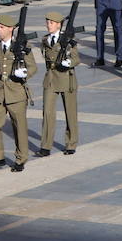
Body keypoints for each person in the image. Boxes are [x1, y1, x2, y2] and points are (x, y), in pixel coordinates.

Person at [0, 12, 33, 171]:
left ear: (11, 29)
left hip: (16, 92)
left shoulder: (21, 46)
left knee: (19, 127)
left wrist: (24, 72)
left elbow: (33, 67)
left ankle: (21, 158)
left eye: (2, 27)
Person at [38, 10, 80, 156]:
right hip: (50, 78)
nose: (49, 25)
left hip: (66, 78)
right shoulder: (45, 40)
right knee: (48, 112)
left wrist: (69, 62)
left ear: (59, 25)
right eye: (48, 22)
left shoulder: (68, 40)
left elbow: (76, 59)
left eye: (52, 23)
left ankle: (71, 143)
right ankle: (46, 145)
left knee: (70, 112)